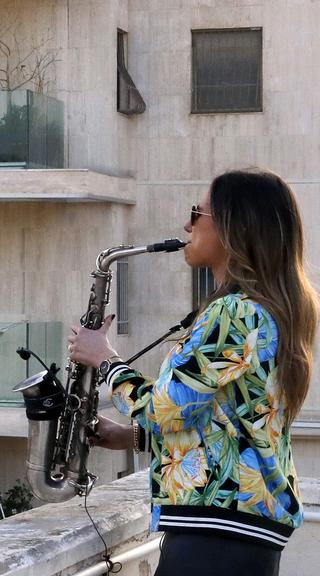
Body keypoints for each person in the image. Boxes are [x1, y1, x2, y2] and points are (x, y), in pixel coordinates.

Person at [67, 168, 317, 576]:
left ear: (233, 227)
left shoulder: (234, 312)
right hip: (236, 534)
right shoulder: (261, 309)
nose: (186, 224)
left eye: (196, 213)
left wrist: (105, 360)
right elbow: (222, 420)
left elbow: (165, 407)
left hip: (218, 534)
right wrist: (129, 436)